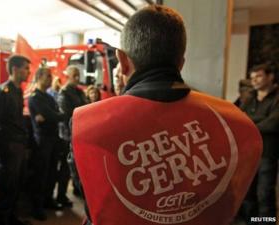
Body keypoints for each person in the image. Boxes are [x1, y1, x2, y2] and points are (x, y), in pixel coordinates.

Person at [70, 5, 262, 225]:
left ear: (122, 61)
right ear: (181, 63)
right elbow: (243, 210)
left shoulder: (86, 126)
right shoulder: (237, 123)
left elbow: (92, 204)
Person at [0, 55, 30, 225]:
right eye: (26, 68)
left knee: (16, 186)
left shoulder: (18, 91)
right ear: (15, 69)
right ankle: (2, 219)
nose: (28, 72)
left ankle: (11, 217)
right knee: (6, 187)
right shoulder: (2, 92)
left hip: (19, 145)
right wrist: (4, 149)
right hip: (9, 148)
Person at [239, 64, 279, 224]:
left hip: (268, 153)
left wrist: (249, 124)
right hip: (249, 152)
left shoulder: (277, 98)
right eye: (252, 77)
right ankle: (251, 221)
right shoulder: (249, 97)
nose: (254, 80)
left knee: (264, 193)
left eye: (259, 76)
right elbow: (238, 117)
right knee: (247, 191)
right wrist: (256, 122)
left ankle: (265, 223)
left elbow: (274, 124)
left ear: (270, 77)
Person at [28, 67, 65, 220]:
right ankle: (37, 208)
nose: (51, 78)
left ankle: (48, 200)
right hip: (42, 141)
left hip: (53, 138)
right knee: (41, 174)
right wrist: (54, 116)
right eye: (48, 76)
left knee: (51, 172)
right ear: (39, 77)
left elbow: (54, 115)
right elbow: (52, 115)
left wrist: (52, 116)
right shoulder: (34, 97)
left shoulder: (49, 97)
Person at [57, 65, 86, 205]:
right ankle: (61, 195)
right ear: (67, 76)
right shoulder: (64, 93)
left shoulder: (79, 92)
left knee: (79, 167)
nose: (77, 78)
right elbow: (67, 114)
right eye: (74, 75)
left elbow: (87, 107)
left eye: (78, 75)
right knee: (65, 168)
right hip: (68, 136)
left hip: (79, 134)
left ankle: (76, 189)